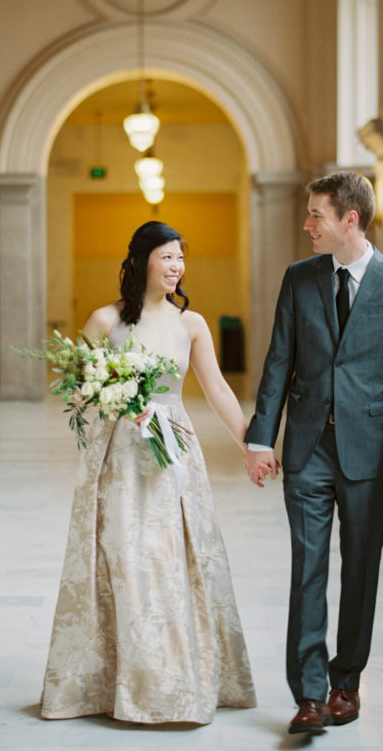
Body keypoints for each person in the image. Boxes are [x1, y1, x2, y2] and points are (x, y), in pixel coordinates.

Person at [41, 220, 256, 725]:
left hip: (173, 451)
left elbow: (219, 389)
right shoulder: (104, 320)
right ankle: (118, 681)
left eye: (181, 258)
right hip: (119, 457)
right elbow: (73, 390)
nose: (177, 267)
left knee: (170, 561)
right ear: (141, 262)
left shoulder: (191, 324)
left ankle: (177, 679)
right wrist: (110, 395)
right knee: (126, 561)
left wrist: (252, 444)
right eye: (167, 257)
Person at [244, 171, 383, 735]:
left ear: (349, 219)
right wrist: (261, 438)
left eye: (316, 216)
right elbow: (279, 360)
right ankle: (307, 695)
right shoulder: (299, 278)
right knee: (308, 568)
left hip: (371, 453)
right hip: (306, 450)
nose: (307, 225)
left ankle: (345, 682)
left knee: (361, 569)